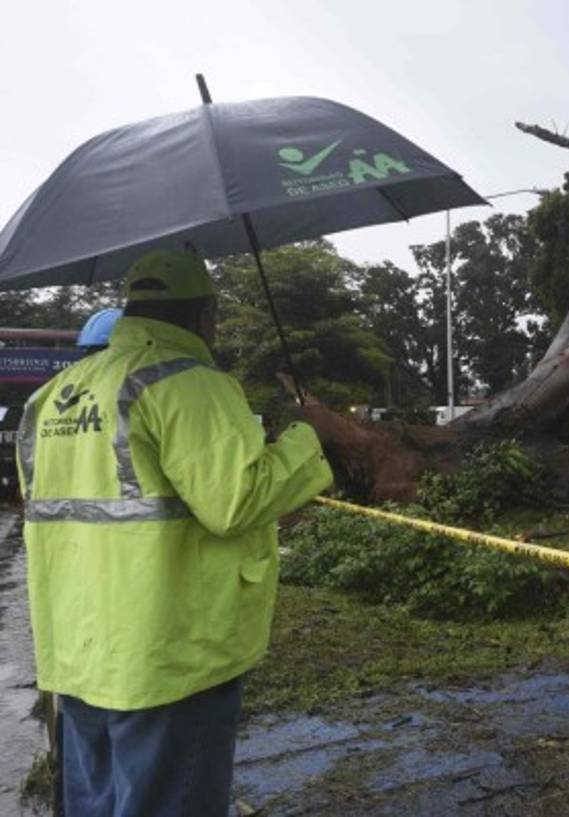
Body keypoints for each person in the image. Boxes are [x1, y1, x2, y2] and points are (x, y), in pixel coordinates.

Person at [16, 250, 333, 817]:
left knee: (98, 802)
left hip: (78, 649)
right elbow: (238, 499)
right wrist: (309, 439)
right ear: (206, 315)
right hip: (169, 652)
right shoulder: (187, 384)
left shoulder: (47, 401)